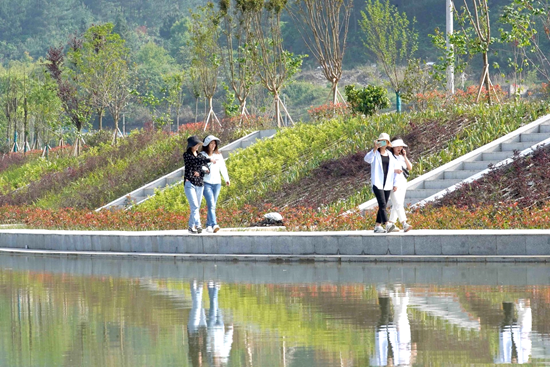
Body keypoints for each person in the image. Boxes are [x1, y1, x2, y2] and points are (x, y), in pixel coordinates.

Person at [364, 133, 400, 233]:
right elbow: (367, 159)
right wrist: (374, 149)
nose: (383, 143)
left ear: (388, 143)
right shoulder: (375, 154)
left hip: (387, 183)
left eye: (385, 141)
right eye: (381, 141)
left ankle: (377, 226)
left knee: (382, 206)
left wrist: (395, 182)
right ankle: (387, 224)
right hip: (377, 183)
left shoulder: (390, 155)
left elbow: (393, 168)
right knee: (382, 203)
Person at [184, 135, 215, 234]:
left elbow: (206, 169)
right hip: (190, 183)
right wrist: (209, 160)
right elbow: (195, 161)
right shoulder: (186, 155)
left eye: (198, 144)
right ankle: (198, 225)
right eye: (196, 144)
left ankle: (190, 227)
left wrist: (201, 171)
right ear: (191, 145)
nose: (197, 146)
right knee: (195, 206)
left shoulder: (201, 156)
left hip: (200, 184)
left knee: (196, 207)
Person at [201, 135, 230, 233]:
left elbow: (223, 167)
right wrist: (207, 167)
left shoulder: (218, 155)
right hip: (206, 183)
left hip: (217, 183)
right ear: (207, 144)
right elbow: (200, 167)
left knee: (213, 205)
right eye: (211, 143)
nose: (213, 145)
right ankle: (214, 224)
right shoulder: (202, 155)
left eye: (214, 143)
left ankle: (208, 225)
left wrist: (226, 179)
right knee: (211, 204)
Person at [388, 138, 413, 232]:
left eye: (401, 146)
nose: (399, 148)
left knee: (398, 204)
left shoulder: (401, 157)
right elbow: (389, 171)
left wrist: (405, 156)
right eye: (397, 146)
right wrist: (394, 184)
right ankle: (404, 223)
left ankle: (390, 224)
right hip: (393, 183)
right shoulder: (390, 157)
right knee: (398, 203)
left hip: (402, 182)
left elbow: (410, 167)